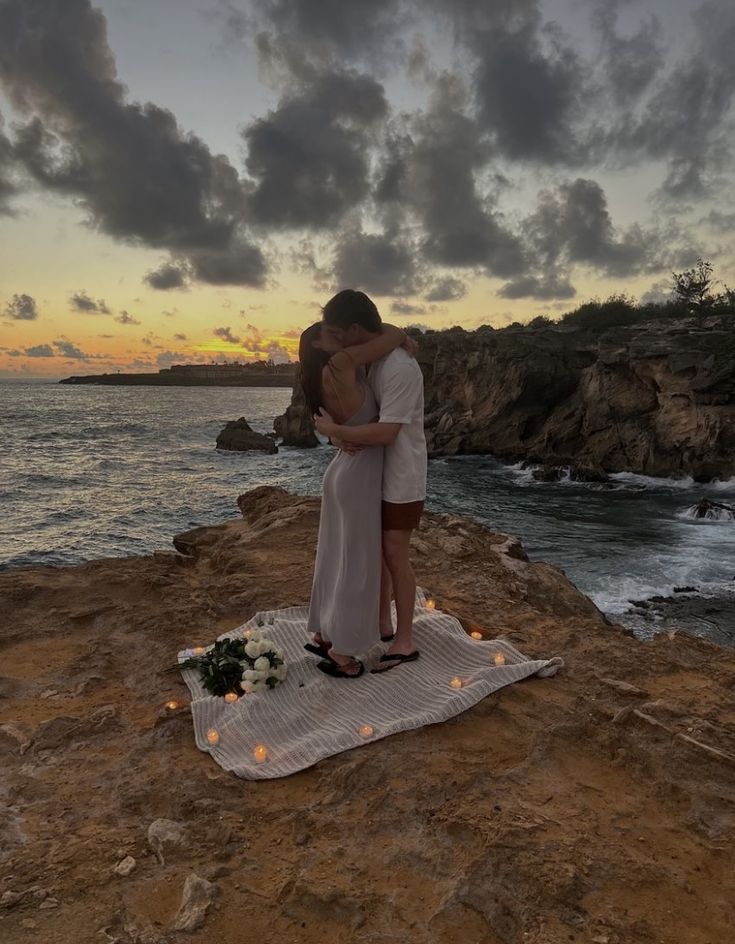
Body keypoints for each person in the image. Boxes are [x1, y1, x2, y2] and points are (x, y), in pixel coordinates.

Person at [315, 290, 427, 673]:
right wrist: (335, 434)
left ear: (355, 329)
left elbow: (387, 433)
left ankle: (405, 640)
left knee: (395, 553)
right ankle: (381, 625)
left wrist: (336, 430)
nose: (335, 341)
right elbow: (356, 415)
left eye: (337, 332)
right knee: (374, 552)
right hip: (373, 473)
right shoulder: (371, 359)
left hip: (401, 474)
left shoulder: (400, 367)